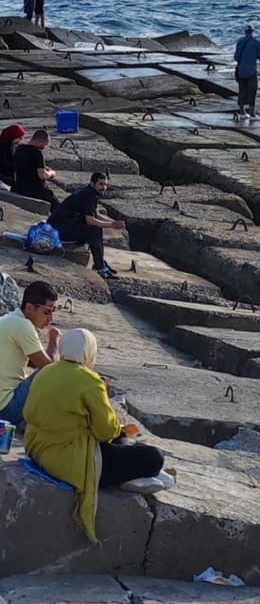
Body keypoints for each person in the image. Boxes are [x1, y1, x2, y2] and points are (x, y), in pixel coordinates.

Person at [24, 328, 171, 542]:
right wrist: (103, 398)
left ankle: (131, 471)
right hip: (70, 459)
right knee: (154, 457)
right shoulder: (89, 381)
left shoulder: (46, 371)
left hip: (38, 448)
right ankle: (134, 477)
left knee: (123, 439)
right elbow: (105, 431)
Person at [0, 280, 60, 425]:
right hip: (6, 408)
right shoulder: (23, 325)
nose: (50, 319)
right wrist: (54, 339)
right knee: (56, 375)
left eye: (54, 311)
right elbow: (50, 369)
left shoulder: (8, 319)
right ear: (29, 308)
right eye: (46, 312)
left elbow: (33, 361)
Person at [49, 172, 126, 278]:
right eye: (100, 184)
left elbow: (96, 215)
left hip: (65, 226)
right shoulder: (89, 195)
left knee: (98, 228)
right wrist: (112, 225)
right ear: (92, 183)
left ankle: (100, 263)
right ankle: (100, 268)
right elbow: (90, 220)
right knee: (93, 231)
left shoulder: (90, 193)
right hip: (57, 230)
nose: (103, 187)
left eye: (105, 185)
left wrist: (113, 222)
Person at [13, 128, 59, 211]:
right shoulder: (36, 153)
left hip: (20, 187)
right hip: (35, 190)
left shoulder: (19, 149)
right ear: (42, 142)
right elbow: (42, 175)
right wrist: (52, 173)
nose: (44, 147)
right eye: (45, 145)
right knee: (58, 207)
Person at [234, 24, 260, 120]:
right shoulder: (256, 43)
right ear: (253, 31)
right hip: (251, 71)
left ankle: (242, 112)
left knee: (242, 91)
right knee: (252, 91)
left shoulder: (240, 42)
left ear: (245, 31)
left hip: (240, 70)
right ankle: (252, 114)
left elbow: (236, 57)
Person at [0, 124, 26, 189]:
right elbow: (4, 165)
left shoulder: (10, 147)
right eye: (19, 138)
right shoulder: (2, 148)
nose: (20, 141)